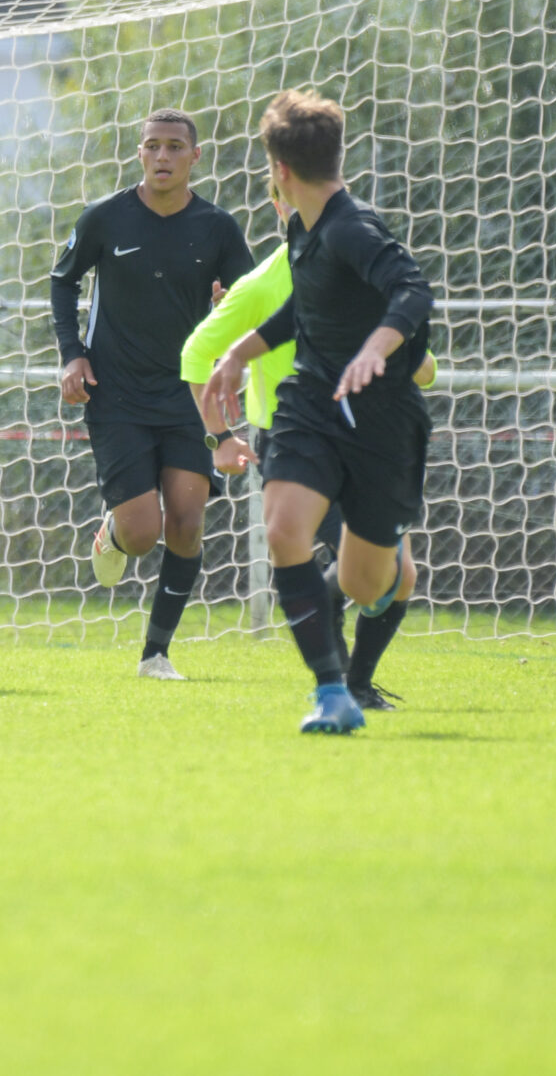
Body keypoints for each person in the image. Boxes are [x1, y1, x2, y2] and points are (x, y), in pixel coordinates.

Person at [202, 90, 434, 736]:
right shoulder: (301, 226)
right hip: (310, 405)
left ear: (276, 168)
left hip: (383, 418)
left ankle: (346, 606)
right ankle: (333, 693)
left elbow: (412, 291)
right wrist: (239, 354)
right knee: (283, 531)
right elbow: (305, 306)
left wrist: (376, 350)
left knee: (367, 584)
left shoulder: (350, 226)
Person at [50, 109, 255, 679]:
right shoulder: (105, 219)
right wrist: (73, 354)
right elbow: (62, 281)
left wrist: (228, 314)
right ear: (139, 154)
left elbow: (246, 297)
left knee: (186, 524)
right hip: (116, 394)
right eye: (152, 146)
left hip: (189, 393)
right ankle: (114, 530)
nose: (162, 156)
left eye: (173, 147)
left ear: (194, 158)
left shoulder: (217, 227)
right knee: (142, 535)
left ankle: (156, 654)